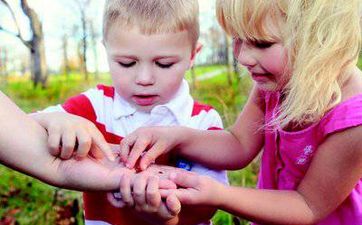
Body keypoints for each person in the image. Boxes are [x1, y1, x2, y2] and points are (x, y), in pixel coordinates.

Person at [120, 0, 362, 224]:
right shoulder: (276, 82)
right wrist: (173, 137)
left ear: (323, 39)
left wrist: (219, 194)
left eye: (262, 43)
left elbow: (308, 205)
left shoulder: (353, 118)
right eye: (237, 38)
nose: (243, 57)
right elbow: (238, 145)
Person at [32, 0, 228, 224]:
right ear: (106, 50)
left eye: (164, 64)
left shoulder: (202, 122)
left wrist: (165, 215)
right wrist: (54, 120)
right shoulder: (94, 107)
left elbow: (213, 202)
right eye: (126, 63)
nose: (144, 79)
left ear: (193, 55)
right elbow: (22, 127)